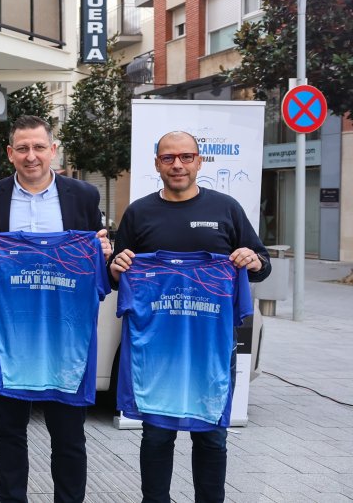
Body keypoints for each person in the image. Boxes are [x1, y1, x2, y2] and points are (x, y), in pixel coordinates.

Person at [109, 130, 270, 503]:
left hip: (210, 347)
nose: (177, 165)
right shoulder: (139, 213)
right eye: (168, 158)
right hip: (157, 349)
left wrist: (254, 260)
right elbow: (114, 276)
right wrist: (115, 268)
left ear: (199, 161)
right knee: (156, 435)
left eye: (185, 157)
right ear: (157, 164)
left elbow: (262, 265)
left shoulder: (226, 209)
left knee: (212, 435)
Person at [0, 115, 111, 503]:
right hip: (8, 337)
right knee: (9, 431)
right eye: (23, 148)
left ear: (53, 150)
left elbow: (99, 269)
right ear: (10, 153)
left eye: (39, 147)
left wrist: (103, 254)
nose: (31, 156)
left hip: (67, 336)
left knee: (69, 434)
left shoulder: (84, 196)